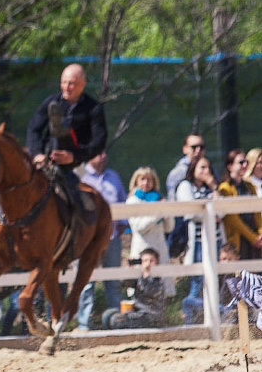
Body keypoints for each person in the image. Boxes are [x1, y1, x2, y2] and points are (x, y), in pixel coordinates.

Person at [26, 63, 107, 218]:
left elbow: (99, 142)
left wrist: (74, 156)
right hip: (46, 160)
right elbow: (33, 129)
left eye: (71, 83)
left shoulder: (94, 108)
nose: (66, 87)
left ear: (82, 85)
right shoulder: (51, 102)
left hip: (76, 163)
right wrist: (37, 154)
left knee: (74, 198)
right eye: (63, 82)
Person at [75, 151, 126, 331]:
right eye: (99, 153)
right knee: (85, 282)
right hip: (87, 240)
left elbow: (122, 200)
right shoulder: (79, 177)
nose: (104, 156)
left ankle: (116, 322)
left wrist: (122, 223)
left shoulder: (114, 176)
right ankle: (84, 323)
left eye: (105, 152)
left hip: (112, 237)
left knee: (113, 281)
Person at [176, 154, 224, 325]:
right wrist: (210, 213)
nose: (206, 171)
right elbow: (191, 212)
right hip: (196, 243)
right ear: (193, 169)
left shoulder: (212, 188)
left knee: (214, 283)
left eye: (208, 168)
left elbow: (222, 212)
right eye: (202, 168)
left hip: (216, 241)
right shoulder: (185, 186)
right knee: (197, 285)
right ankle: (192, 321)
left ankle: (212, 319)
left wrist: (213, 186)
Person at [125, 166, 174, 297]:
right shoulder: (132, 201)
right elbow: (139, 227)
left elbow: (169, 228)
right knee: (140, 289)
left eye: (149, 180)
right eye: (142, 179)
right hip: (142, 248)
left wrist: (166, 211)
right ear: (136, 181)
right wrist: (158, 212)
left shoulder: (158, 198)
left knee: (161, 289)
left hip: (159, 248)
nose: (146, 183)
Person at [101, 248, 166, 330]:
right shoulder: (140, 276)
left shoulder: (158, 279)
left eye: (151, 261)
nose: (148, 264)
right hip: (137, 313)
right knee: (107, 315)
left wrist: (146, 275)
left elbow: (150, 291)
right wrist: (130, 271)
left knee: (116, 320)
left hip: (152, 316)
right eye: (145, 261)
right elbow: (125, 284)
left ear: (157, 263)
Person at [217, 149, 262, 261]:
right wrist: (252, 237)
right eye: (241, 162)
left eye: (246, 162)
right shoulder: (225, 187)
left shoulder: (250, 186)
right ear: (230, 166)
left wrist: (260, 235)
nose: (245, 165)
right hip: (238, 238)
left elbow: (257, 213)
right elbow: (232, 217)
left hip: (254, 238)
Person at [165, 133, 206, 201]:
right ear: (185, 149)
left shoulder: (210, 169)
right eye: (194, 147)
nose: (198, 150)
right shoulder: (178, 172)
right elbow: (171, 199)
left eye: (201, 147)